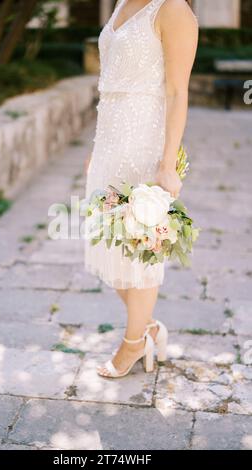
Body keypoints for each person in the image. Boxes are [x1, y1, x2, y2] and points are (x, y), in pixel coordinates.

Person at [83, 0, 198, 378]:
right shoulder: (120, 5)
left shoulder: (174, 10)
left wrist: (167, 165)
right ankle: (147, 329)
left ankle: (133, 344)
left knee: (140, 247)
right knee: (107, 243)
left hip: (144, 146)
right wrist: (94, 148)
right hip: (109, 142)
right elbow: (110, 85)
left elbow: (179, 92)